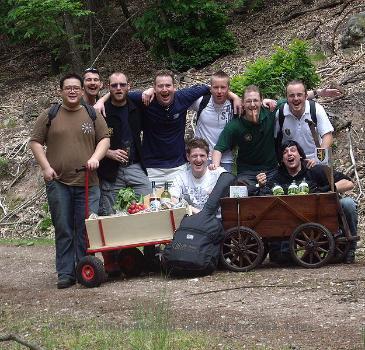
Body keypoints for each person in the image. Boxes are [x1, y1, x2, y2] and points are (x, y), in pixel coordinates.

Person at [29, 73, 110, 289]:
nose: (73, 91)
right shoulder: (50, 114)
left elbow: (105, 139)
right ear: (61, 91)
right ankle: (65, 273)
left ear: (82, 91)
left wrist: (95, 158)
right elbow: (35, 142)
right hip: (59, 182)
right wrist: (45, 167)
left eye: (76, 88)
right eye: (68, 88)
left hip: (88, 182)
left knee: (85, 228)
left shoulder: (92, 114)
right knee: (64, 228)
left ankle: (83, 268)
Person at [95, 69, 242, 186]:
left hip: (178, 167)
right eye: (160, 86)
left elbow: (212, 88)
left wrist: (235, 97)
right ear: (154, 88)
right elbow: (120, 91)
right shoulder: (145, 99)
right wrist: (102, 100)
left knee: (178, 211)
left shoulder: (183, 97)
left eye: (168, 85)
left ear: (174, 87)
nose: (164, 89)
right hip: (151, 167)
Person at [257, 140, 358, 264]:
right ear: (281, 159)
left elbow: (348, 183)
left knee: (348, 203)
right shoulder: (276, 176)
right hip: (287, 226)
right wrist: (260, 185)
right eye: (285, 152)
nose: (289, 154)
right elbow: (261, 198)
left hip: (321, 219)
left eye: (293, 150)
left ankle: (350, 249)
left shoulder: (315, 170)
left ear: (300, 155)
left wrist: (326, 189)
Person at [98, 72, 151, 216]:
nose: (118, 88)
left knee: (148, 204)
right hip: (110, 170)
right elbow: (88, 141)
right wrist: (108, 152)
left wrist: (151, 90)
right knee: (111, 215)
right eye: (114, 85)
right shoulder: (101, 111)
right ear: (109, 88)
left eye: (122, 85)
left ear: (129, 86)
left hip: (134, 165)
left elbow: (157, 91)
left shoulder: (137, 106)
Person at [211, 85, 278, 187]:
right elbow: (219, 148)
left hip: (271, 170)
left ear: (261, 101)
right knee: (242, 192)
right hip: (247, 173)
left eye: (255, 100)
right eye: (248, 101)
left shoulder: (270, 112)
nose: (252, 104)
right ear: (242, 103)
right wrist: (215, 169)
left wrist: (311, 93)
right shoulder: (235, 125)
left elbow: (293, 99)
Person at [275, 80, 334, 159]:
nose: (296, 98)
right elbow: (275, 138)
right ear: (287, 98)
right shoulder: (281, 113)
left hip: (316, 157)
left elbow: (327, 136)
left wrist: (319, 159)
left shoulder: (316, 109)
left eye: (299, 95)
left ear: (306, 96)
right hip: (292, 161)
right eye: (291, 95)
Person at [191, 70, 235, 172]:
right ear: (210, 88)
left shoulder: (234, 106)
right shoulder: (202, 102)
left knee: (224, 187)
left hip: (226, 158)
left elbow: (254, 105)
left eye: (223, 87)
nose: (219, 91)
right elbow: (178, 99)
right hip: (201, 157)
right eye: (215, 87)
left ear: (228, 89)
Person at [170, 138, 226, 214]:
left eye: (202, 155)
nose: (198, 160)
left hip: (216, 221)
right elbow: (172, 200)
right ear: (188, 157)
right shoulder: (181, 178)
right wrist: (196, 211)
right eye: (194, 156)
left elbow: (233, 196)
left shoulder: (219, 174)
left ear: (208, 156)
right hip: (192, 220)